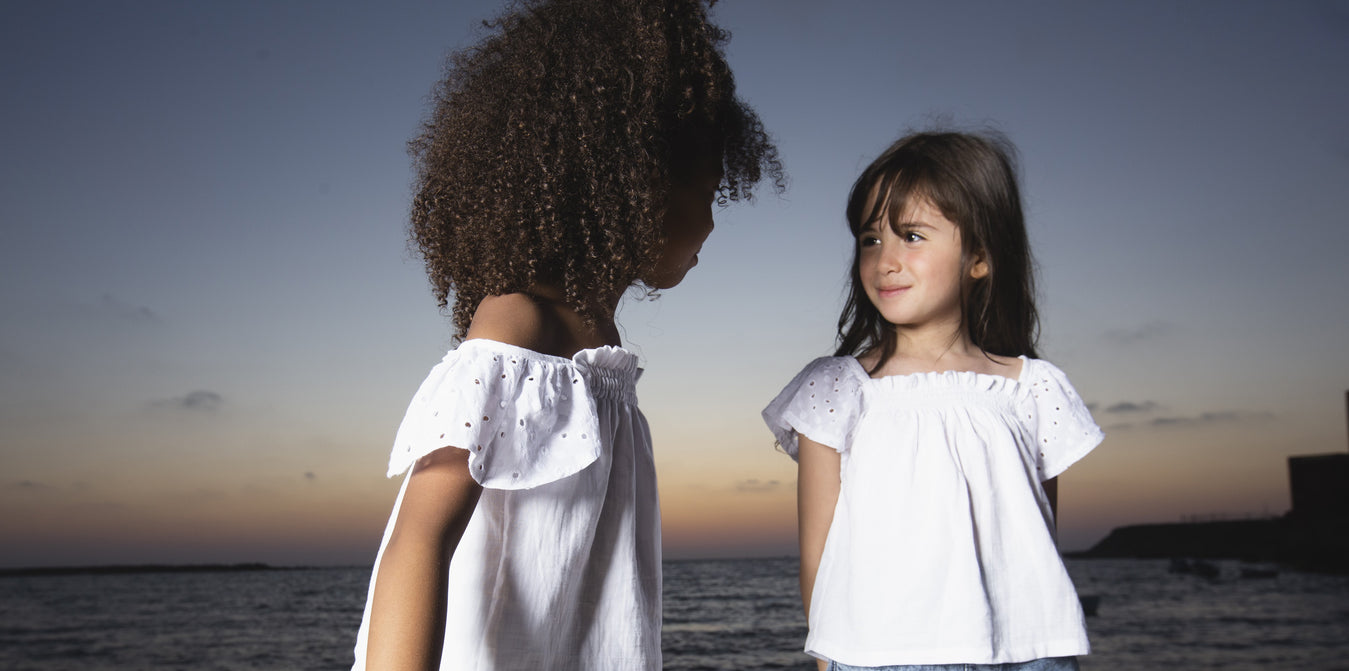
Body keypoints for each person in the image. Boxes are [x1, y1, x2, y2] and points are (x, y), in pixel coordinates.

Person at [352, 1, 782, 669]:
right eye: (707, 190)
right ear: (637, 184)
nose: (711, 222)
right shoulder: (519, 323)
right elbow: (419, 538)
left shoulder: (597, 351)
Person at [763, 131, 1102, 671]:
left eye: (913, 236)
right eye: (871, 240)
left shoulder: (1033, 390)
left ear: (981, 258)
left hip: (1028, 654)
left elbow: (1041, 537)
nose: (886, 261)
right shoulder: (837, 389)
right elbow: (819, 556)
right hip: (877, 658)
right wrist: (829, 662)